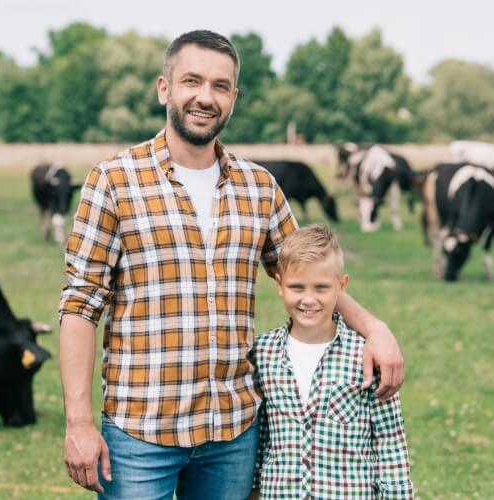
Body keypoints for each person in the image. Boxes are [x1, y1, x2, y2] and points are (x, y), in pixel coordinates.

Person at [58, 30, 404, 499]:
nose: (205, 97)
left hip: (232, 433)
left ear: (234, 97)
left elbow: (309, 275)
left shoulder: (259, 187)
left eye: (220, 86)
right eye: (192, 81)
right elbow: (81, 305)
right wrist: (78, 422)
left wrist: (374, 328)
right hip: (139, 432)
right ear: (165, 88)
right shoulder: (114, 180)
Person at [251, 225, 413, 499]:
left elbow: (390, 441)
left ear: (341, 286)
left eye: (321, 288)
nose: (308, 299)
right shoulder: (263, 353)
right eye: (297, 287)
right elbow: (261, 436)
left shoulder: (365, 355)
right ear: (279, 284)